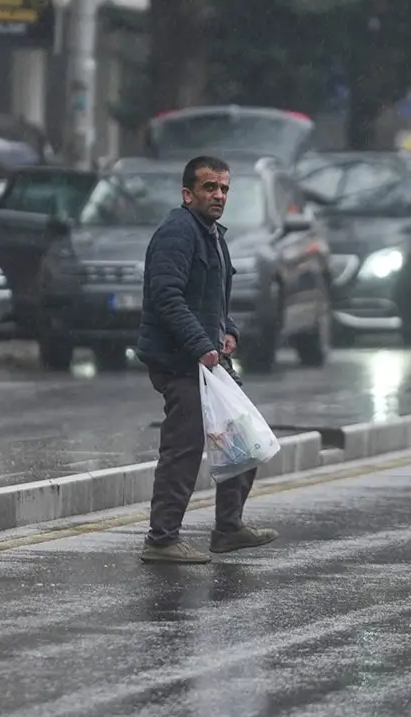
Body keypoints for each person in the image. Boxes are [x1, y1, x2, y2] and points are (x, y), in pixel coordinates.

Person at [135, 155, 279, 564]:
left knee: (241, 437)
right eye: (209, 188)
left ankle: (228, 528)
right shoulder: (178, 233)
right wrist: (201, 344)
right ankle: (161, 539)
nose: (218, 195)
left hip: (207, 360)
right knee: (183, 447)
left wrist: (228, 329)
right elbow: (166, 296)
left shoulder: (212, 233)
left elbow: (212, 296)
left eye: (224, 189)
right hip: (181, 360)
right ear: (188, 193)